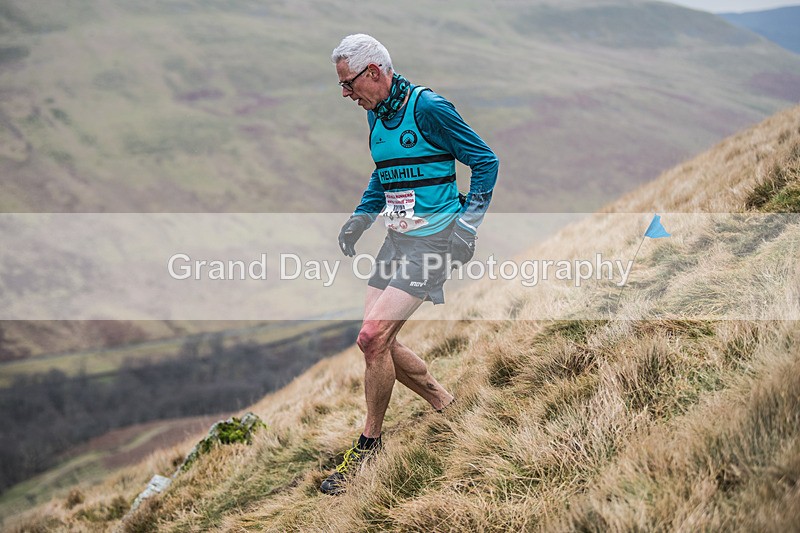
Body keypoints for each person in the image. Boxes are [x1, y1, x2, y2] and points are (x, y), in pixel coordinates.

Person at [321, 34, 498, 495]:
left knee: (372, 337)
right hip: (396, 241)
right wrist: (361, 219)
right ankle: (442, 401)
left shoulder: (429, 109)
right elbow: (384, 174)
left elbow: (485, 161)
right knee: (375, 340)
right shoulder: (376, 117)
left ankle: (369, 446)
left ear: (375, 72)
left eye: (349, 83)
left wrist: (468, 227)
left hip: (436, 241)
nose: (345, 93)